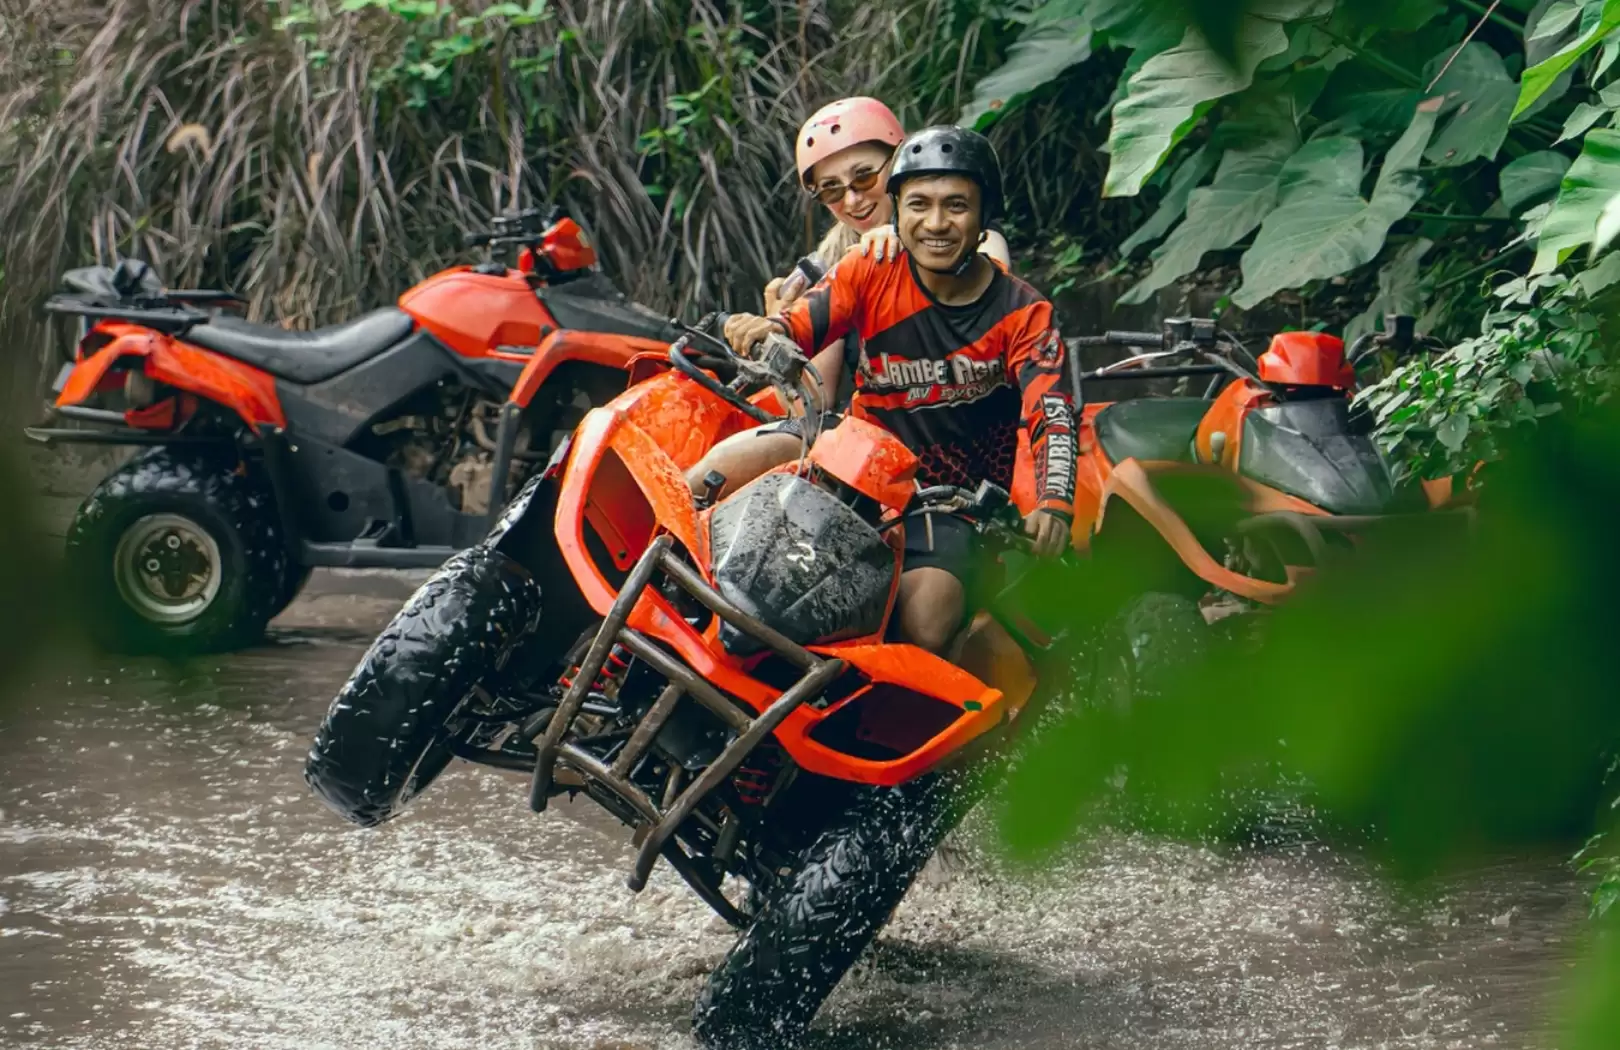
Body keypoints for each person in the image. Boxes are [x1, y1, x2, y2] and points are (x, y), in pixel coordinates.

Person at [721, 126, 1076, 656]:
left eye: (956, 205)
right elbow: (802, 324)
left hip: (954, 503)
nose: (936, 223)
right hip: (853, 465)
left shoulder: (1024, 312)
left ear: (983, 218)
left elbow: (1054, 413)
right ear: (898, 211)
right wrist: (763, 330)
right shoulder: (870, 267)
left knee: (928, 619)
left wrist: (1054, 504)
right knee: (712, 477)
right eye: (919, 205)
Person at [685, 97, 1009, 501]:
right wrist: (782, 335)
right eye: (832, 190)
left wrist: (908, 252)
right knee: (738, 461)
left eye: (864, 178)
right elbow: (806, 410)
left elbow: (988, 312)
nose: (852, 201)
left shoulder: (974, 237)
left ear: (900, 165)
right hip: (875, 446)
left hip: (970, 440)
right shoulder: (829, 268)